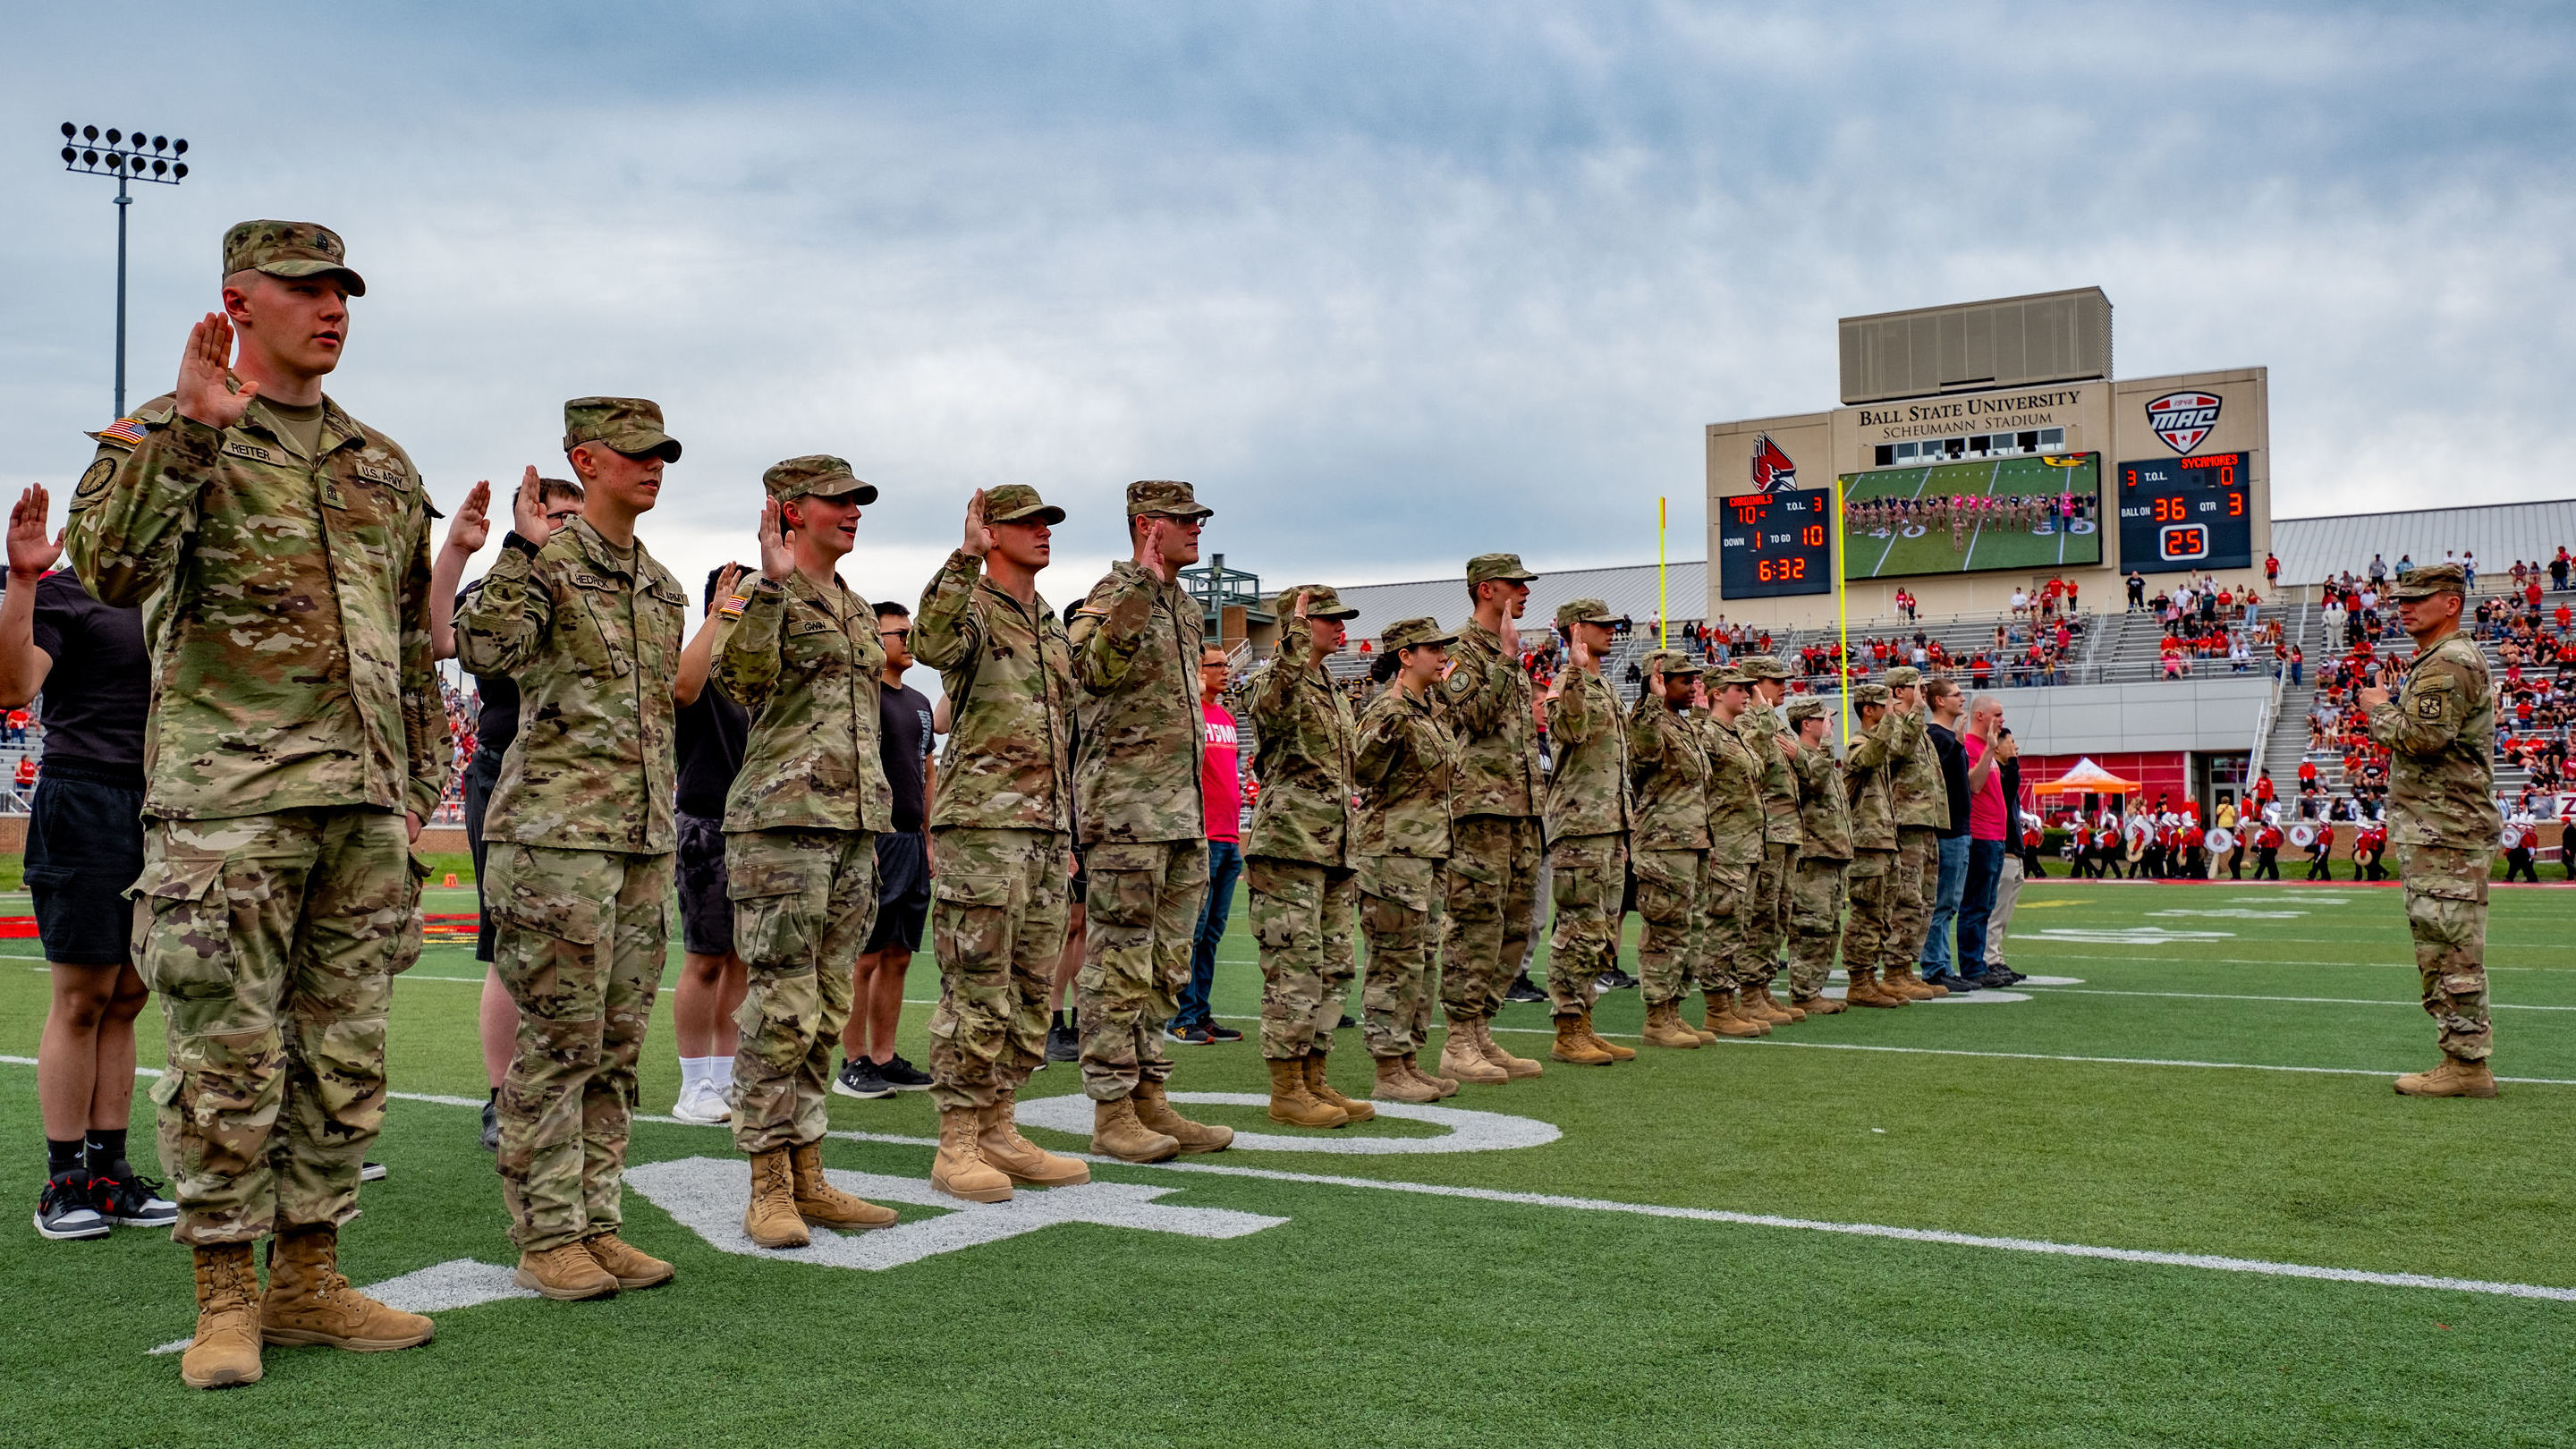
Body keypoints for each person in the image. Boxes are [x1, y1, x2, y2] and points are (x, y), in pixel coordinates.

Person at [71, 221, 445, 1386]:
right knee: (227, 1056)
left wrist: (413, 784)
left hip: (360, 815)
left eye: (342, 290)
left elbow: (410, 646)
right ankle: (225, 1296)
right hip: (227, 811)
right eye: (305, 289)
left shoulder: (382, 464)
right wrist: (186, 434)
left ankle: (310, 1281)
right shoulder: (165, 425)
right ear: (238, 301)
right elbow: (107, 572)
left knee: (341, 1059)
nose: (331, 307)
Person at [456, 396, 688, 1301]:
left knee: (617, 1047)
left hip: (636, 843)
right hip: (554, 841)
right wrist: (516, 548)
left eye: (661, 453)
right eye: (635, 453)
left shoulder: (661, 584)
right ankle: (547, 1234)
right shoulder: (544, 565)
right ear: (584, 460)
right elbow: (480, 646)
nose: (653, 466)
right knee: (556, 1044)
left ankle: (597, 1222)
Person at [716, 458, 932, 1241]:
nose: (852, 513)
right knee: (780, 1010)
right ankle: (767, 1183)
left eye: (857, 503)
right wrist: (771, 586)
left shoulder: (852, 607)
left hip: (853, 830)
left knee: (826, 1009)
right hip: (781, 827)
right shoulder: (760, 589)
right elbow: (737, 680)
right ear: (788, 511)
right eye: (836, 503)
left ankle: (809, 1174)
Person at [5, 483, 174, 1241]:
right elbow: (13, 686)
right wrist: (21, 579)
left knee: (131, 996)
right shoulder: (66, 592)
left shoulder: (182, 588)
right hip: (85, 799)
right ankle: (64, 1180)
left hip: (164, 807)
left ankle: (111, 1173)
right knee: (82, 998)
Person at [912, 487, 1086, 1199]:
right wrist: (964, 558)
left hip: (1044, 831)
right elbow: (928, 641)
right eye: (1027, 524)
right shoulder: (974, 607)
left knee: (1028, 990)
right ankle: (956, 1142)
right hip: (983, 828)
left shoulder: (1049, 622)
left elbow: (1060, 735)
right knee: (976, 990)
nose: (1044, 533)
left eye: (1049, 523)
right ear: (992, 532)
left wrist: (1066, 829)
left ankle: (1000, 1126)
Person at [1067, 481, 1233, 1161]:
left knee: (1166, 967)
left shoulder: (1187, 607)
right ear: (1147, 526)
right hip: (1127, 816)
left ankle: (1150, 1098)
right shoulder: (1111, 595)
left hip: (1181, 818)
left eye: (1199, 519)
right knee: (1117, 968)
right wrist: (1138, 583)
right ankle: (1112, 1113)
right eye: (1184, 520)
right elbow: (1090, 671)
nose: (1197, 529)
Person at [431, 471, 584, 1152]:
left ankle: (562, 1087)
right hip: (512, 778)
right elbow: (453, 643)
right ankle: (502, 1096)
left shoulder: (597, 590)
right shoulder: (503, 585)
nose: (570, 529)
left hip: (583, 781)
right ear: (531, 518)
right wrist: (485, 553)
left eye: (578, 517)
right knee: (506, 945)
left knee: (579, 945)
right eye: (558, 516)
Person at [2359, 562, 2502, 1097]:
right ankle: (2460, 1059)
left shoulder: (2449, 663)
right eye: (2401, 600)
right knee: (2440, 944)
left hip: (2447, 831)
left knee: (2451, 946)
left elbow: (2423, 739)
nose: (2404, 607)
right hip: (2439, 829)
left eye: (2418, 598)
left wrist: (2378, 709)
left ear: (2452, 603)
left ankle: (2467, 1066)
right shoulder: (2438, 660)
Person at [1242, 587, 1378, 1120]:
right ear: (1297, 627)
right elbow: (1274, 710)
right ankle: (1286, 1090)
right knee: (1294, 971)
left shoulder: (1333, 690)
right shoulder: (1273, 678)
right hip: (1290, 846)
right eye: (1328, 619)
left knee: (1334, 969)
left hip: (1335, 847)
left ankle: (1314, 1076)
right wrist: (1293, 642)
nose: (1340, 627)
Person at [1433, 554, 1550, 1081]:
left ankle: (1482, 1029)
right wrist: (1505, 658)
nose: (1524, 593)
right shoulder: (1458, 652)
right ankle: (1458, 1040)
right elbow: (1475, 717)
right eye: (1514, 585)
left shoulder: (1509, 654)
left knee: (1514, 925)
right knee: (1476, 924)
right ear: (1485, 590)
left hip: (1521, 811)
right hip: (1479, 811)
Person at [1351, 617, 1464, 1099]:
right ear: (1405, 656)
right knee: (1394, 964)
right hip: (1391, 856)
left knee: (1422, 963)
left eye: (1444, 648)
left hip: (1429, 854)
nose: (1443, 656)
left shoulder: (1430, 710)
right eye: (1433, 648)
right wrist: (1390, 722)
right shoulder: (1390, 712)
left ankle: (1410, 1060)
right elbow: (1361, 770)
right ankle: (1388, 1070)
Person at [836, 602, 940, 1098]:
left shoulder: (920, 700)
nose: (909, 640)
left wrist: (928, 834)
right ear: (875, 639)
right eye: (900, 633)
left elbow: (926, 771)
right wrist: (863, 837)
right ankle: (852, 1060)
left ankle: (884, 1055)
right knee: (865, 956)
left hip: (911, 841)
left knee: (898, 955)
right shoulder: (861, 697)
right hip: (874, 838)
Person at [666, 566, 753, 1124]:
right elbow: (681, 687)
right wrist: (716, 618)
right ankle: (692, 1084)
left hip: (756, 830)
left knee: (743, 959)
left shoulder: (758, 675)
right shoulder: (701, 666)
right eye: (739, 601)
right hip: (705, 825)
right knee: (704, 960)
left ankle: (723, 1078)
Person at [1538, 599, 1636, 1064]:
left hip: (1610, 824)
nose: (1611, 631)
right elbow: (1568, 731)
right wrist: (1574, 673)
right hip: (1579, 826)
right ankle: (1567, 1029)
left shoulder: (1606, 686)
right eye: (1601, 626)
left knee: (1600, 934)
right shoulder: (1567, 683)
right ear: (1576, 630)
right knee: (1578, 930)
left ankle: (1586, 1023)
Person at [1625, 650, 1714, 1048]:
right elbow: (1642, 758)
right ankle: (1656, 1016)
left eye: (1695, 679)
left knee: (1690, 930)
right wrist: (1652, 702)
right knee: (1665, 929)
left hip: (1692, 841)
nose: (1694, 686)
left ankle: (1674, 1010)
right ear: (1660, 683)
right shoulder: (1648, 720)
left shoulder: (1683, 724)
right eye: (1684, 680)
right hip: (1663, 843)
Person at [1168, 641, 1247, 1046]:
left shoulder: (1228, 718)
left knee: (1212, 933)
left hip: (1229, 836)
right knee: (1192, 932)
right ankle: (1180, 1017)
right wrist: (1192, 695)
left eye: (1226, 664)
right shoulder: (1190, 714)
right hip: (1202, 836)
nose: (1224, 670)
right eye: (1214, 665)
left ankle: (1201, 1011)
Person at [1696, 672, 1773, 1033]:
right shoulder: (1708, 734)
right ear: (1716, 694)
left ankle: (1728, 1002)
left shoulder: (1736, 735)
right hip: (1725, 845)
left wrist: (1759, 705)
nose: (1747, 694)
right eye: (1739, 689)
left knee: (1738, 927)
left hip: (1748, 845)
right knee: (1722, 926)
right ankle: (1716, 1007)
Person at [1733, 657, 1805, 1021]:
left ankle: (1761, 988)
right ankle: (1748, 993)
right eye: (1774, 681)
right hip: (1765, 832)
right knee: (1760, 914)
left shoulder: (1779, 723)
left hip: (1789, 830)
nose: (1783, 686)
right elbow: (1751, 764)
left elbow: (1804, 765)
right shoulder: (1747, 721)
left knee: (1778, 914)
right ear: (1754, 685)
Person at [1778, 696, 1853, 1015]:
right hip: (1813, 854)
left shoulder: (1820, 757)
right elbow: (1815, 783)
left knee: (1829, 927)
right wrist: (1823, 749)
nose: (1830, 723)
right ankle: (1804, 991)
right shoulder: (1800, 757)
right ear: (1806, 724)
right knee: (1810, 927)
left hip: (1833, 852)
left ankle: (1815, 989)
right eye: (1824, 718)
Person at [1877, 666, 1947, 999]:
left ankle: (1906, 966)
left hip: (1925, 822)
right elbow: (1896, 753)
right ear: (1899, 691)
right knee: (1906, 898)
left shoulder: (1918, 726)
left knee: (1925, 901)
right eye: (1917, 687)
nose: (1922, 692)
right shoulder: (1893, 724)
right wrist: (1915, 712)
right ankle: (1893, 969)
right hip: (1905, 822)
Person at [1838, 684, 1908, 1007]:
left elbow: (1899, 749)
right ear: (1869, 710)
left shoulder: (1879, 744)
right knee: (1866, 914)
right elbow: (1868, 759)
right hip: (1867, 843)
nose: (1891, 709)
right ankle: (1859, 979)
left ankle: (1870, 977)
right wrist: (1891, 724)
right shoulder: (1858, 744)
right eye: (1885, 705)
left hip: (1884, 841)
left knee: (1882, 914)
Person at [1915, 678, 1977, 990]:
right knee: (1940, 903)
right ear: (1939, 701)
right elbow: (1935, 776)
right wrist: (1959, 743)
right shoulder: (1935, 736)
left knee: (1949, 904)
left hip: (1960, 829)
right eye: (1956, 694)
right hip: (1947, 830)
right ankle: (1935, 967)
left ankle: (1944, 965)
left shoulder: (1950, 737)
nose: (1962, 699)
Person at [1953, 696, 2014, 987]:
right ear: (1981, 715)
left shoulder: (1981, 748)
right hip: (1981, 836)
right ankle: (1972, 966)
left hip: (1995, 836)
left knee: (1985, 905)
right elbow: (1973, 785)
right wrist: (1990, 750)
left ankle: (1978, 963)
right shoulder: (1970, 747)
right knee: (1975, 904)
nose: (2002, 719)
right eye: (1997, 714)